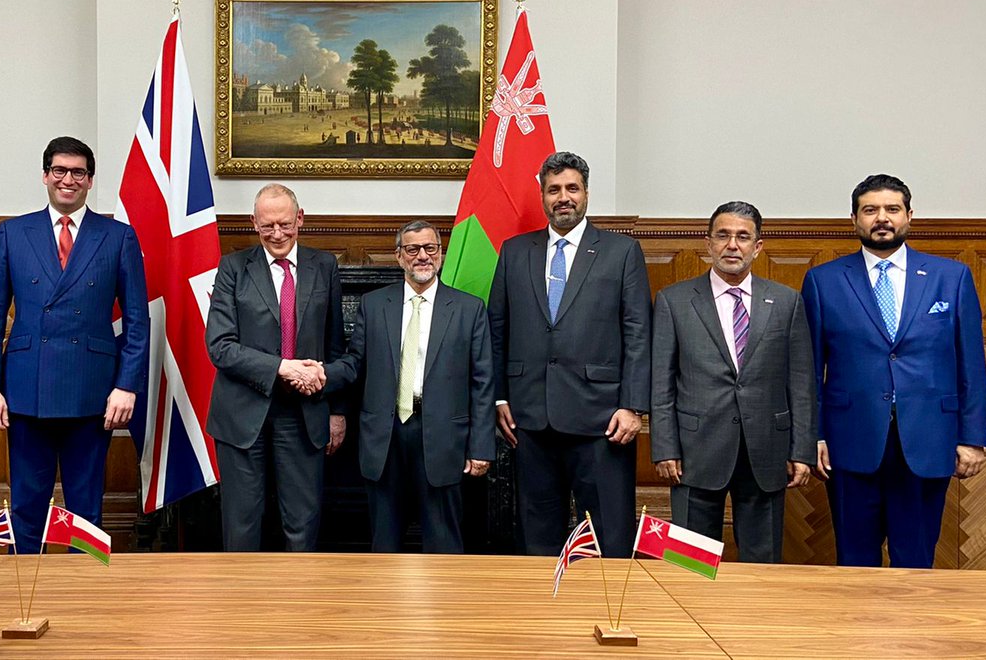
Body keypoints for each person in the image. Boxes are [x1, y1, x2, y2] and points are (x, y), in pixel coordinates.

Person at [802, 174, 986, 568]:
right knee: (854, 561)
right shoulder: (823, 280)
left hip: (928, 440)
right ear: (854, 219)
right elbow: (809, 369)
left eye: (892, 209)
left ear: (909, 215)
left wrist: (972, 437)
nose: (882, 218)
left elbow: (971, 363)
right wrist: (813, 434)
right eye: (870, 210)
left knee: (916, 561)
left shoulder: (950, 277)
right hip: (849, 442)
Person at [0, 136, 149, 554]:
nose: (67, 180)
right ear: (45, 176)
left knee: (86, 512)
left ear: (90, 180)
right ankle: (24, 588)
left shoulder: (117, 236)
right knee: (26, 507)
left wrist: (126, 386)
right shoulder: (13, 233)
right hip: (25, 389)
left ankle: (84, 588)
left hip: (92, 392)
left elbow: (137, 321)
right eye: (59, 171)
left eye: (78, 173)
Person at [488, 151, 652, 556]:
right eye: (554, 189)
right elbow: (497, 328)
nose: (563, 197)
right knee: (537, 538)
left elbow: (638, 333)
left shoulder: (621, 251)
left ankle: (606, 598)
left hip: (603, 420)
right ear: (542, 196)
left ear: (586, 194)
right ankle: (543, 600)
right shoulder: (514, 251)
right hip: (530, 418)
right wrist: (500, 396)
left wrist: (633, 406)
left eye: (572, 188)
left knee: (610, 536)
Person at [650, 201, 816, 562]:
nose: (732, 245)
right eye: (723, 235)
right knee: (690, 563)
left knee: (763, 563)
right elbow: (661, 382)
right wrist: (664, 447)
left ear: (757, 247)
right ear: (708, 243)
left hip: (766, 451)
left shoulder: (786, 302)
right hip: (694, 451)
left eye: (743, 237)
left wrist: (801, 450)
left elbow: (801, 383)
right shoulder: (674, 301)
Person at [326, 220, 494, 552]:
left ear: (440, 253)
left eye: (430, 248)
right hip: (384, 438)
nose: (423, 256)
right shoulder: (374, 305)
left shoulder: (468, 308)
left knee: (443, 545)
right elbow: (355, 363)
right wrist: (321, 374)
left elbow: (483, 381)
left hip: (444, 440)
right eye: (413, 249)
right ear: (399, 256)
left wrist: (481, 446)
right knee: (384, 545)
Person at [206, 183, 345, 551]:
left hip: (305, 413)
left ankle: (299, 590)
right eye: (267, 226)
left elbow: (334, 345)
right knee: (242, 525)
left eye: (285, 224)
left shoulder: (324, 266)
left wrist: (337, 411)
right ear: (254, 223)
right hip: (241, 413)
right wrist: (283, 368)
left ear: (300, 219)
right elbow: (220, 346)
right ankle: (243, 591)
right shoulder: (233, 268)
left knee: (302, 524)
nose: (277, 234)